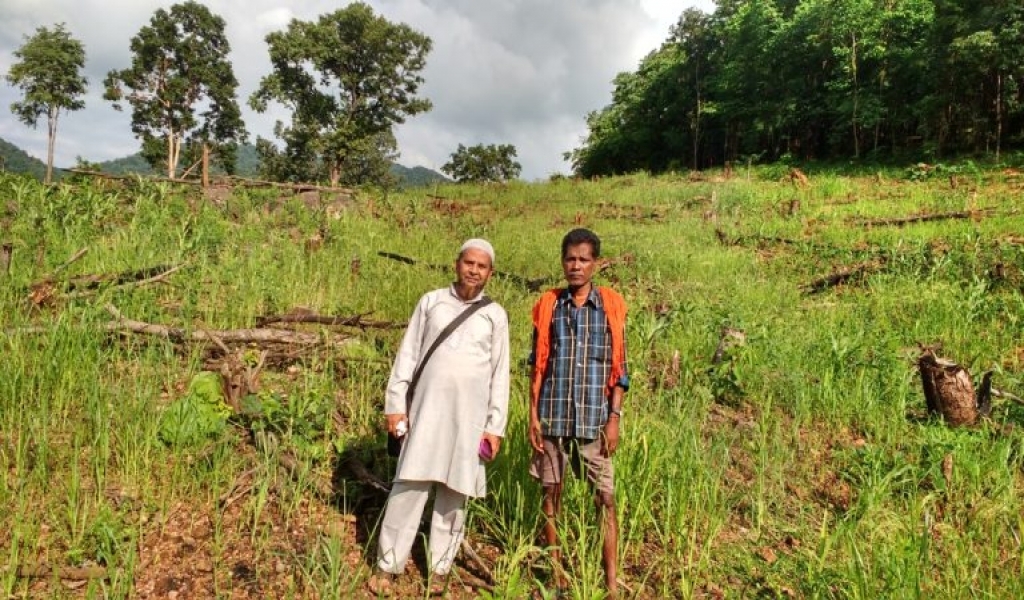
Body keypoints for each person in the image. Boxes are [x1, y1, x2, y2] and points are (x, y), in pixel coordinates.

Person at [369, 238, 510, 596]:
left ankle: (440, 569)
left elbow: (500, 374)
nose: (474, 270)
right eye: (469, 263)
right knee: (408, 488)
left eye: (481, 266)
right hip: (425, 415)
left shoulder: (495, 315)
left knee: (454, 496)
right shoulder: (431, 302)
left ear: (490, 273)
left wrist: (495, 426)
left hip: (469, 422)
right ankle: (387, 565)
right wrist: (395, 405)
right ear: (457, 264)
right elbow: (407, 355)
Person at [529, 228, 628, 598]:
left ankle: (611, 584)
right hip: (553, 416)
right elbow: (536, 366)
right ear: (562, 262)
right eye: (570, 259)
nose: (576, 265)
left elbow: (620, 371)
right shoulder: (550, 306)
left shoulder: (610, 308)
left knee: (605, 499)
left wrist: (614, 419)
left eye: (583, 259)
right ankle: (556, 577)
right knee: (551, 495)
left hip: (594, 421)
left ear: (595, 264)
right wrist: (533, 416)